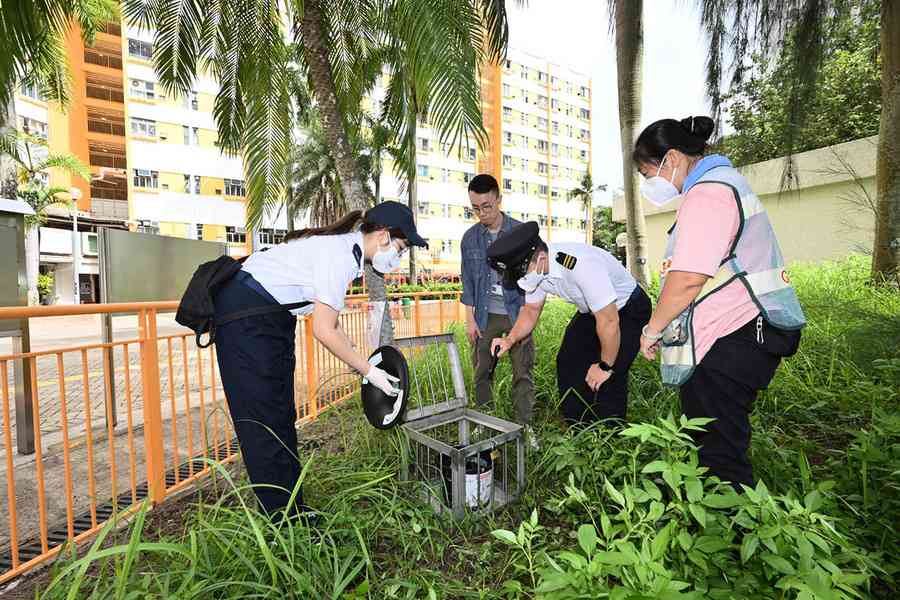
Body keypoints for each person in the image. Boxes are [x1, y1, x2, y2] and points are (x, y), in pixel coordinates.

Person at [213, 202, 427, 517]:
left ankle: (292, 509)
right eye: (402, 247)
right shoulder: (339, 256)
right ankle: (281, 524)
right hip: (247, 319)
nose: (399, 256)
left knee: (280, 415)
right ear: (382, 236)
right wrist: (369, 370)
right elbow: (323, 331)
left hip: (268, 318)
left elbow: (333, 323)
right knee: (263, 422)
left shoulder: (346, 251)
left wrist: (360, 360)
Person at [634, 116, 806, 489]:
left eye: (649, 173)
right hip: (742, 332)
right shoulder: (723, 185)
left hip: (736, 334)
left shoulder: (709, 192)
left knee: (719, 451)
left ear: (673, 159)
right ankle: (722, 522)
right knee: (717, 438)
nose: (649, 185)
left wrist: (652, 330)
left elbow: (687, 278)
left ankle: (733, 536)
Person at [487, 222, 651, 426]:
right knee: (568, 362)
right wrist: (509, 340)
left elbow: (609, 320)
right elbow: (531, 310)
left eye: (521, 273)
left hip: (627, 309)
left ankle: (610, 438)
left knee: (609, 376)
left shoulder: (581, 266)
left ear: (541, 258)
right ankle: (578, 427)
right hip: (592, 311)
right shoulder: (535, 270)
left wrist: (604, 365)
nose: (521, 279)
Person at [460, 174, 536, 428]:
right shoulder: (470, 238)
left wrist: (529, 316)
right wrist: (469, 320)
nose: (481, 213)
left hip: (517, 313)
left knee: (522, 374)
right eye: (475, 208)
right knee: (482, 372)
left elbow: (534, 278)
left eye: (487, 206)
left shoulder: (520, 233)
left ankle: (524, 428)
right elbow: (468, 282)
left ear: (499, 200)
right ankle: (485, 425)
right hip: (485, 316)